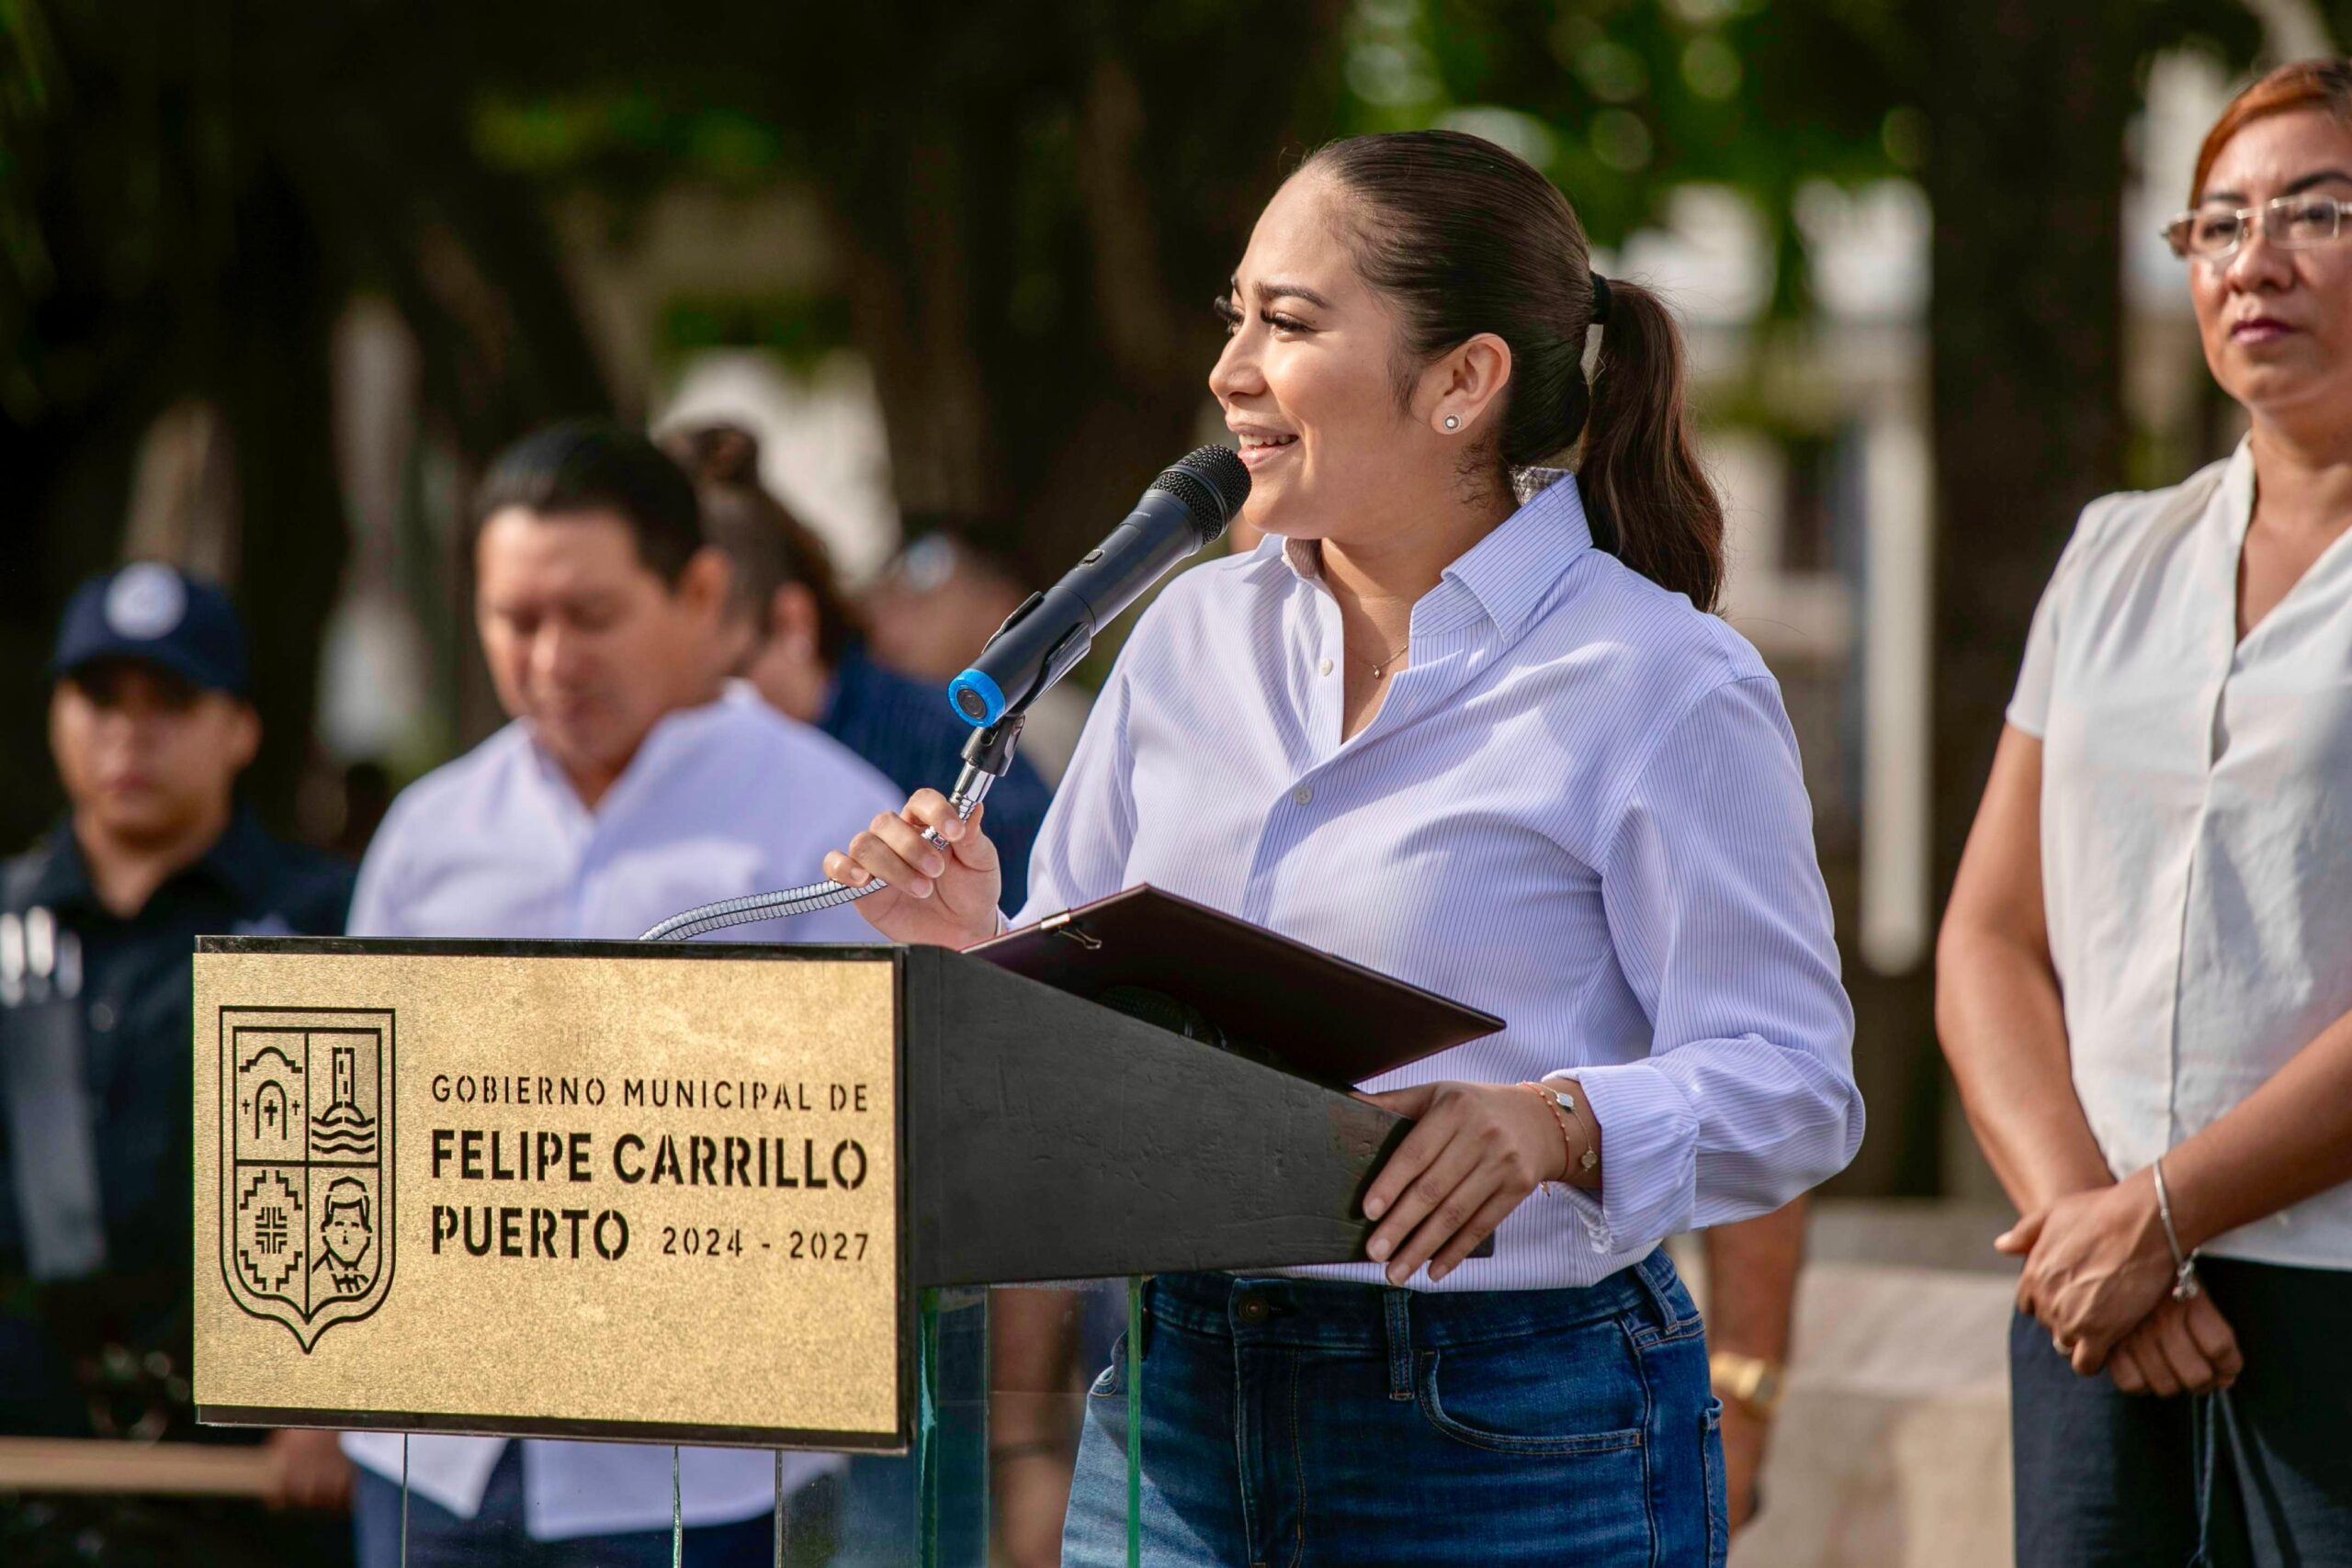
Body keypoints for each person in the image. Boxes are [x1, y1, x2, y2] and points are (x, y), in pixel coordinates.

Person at [825, 130, 1862, 1566]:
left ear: (1463, 381)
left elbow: (1799, 1083)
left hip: (1504, 1417)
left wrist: (1560, 1121)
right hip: (1174, 1401)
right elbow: (1097, 1040)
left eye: (1290, 322)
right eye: (1233, 315)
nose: (1230, 369)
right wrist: (975, 944)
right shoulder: (1188, 633)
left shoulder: (1661, 678)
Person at [338, 423, 899, 1568]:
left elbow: (863, 1148)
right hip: (431, 1459)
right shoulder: (432, 832)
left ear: (699, 592)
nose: (550, 661)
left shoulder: (830, 827)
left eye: (590, 617)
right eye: (515, 621)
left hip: (703, 1472)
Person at [1939, 59, 2352, 1567]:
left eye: (2321, 210)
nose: (2254, 257)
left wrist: (2161, 1213)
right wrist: (2084, 1225)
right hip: (2092, 1304)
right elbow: (1990, 932)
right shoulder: (2117, 550)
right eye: (2220, 222)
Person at [0, 563, 356, 1566]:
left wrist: (338, 1405)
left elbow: (392, 1176)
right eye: (99, 699)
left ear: (240, 728)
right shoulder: (7, 922)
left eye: (172, 702)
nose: (129, 733)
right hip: (30, 1462)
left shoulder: (323, 923)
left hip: (262, 1479)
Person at [662, 423, 1055, 904]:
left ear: (793, 623)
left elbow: (1041, 924)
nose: (697, 711)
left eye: (727, 684)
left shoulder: (950, 750)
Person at [861, 525, 1092, 784]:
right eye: (894, 602)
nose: (894, 625)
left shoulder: (1051, 722)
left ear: (1002, 607)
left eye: (923, 605)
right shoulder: (885, 719)